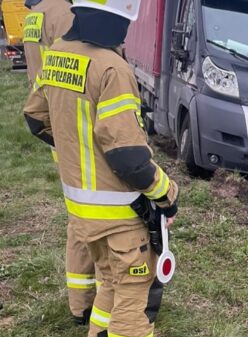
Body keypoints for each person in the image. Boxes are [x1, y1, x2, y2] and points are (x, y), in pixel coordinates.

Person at [23, 1, 179, 336]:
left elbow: (35, 118)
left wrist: (73, 148)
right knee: (133, 303)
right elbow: (128, 156)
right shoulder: (111, 68)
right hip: (119, 214)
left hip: (82, 210)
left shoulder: (58, 54)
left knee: (108, 282)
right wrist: (166, 193)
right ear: (116, 21)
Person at [22, 0, 97, 325]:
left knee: (80, 217)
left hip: (57, 124)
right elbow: (81, 58)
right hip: (76, 126)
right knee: (91, 221)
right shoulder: (62, 13)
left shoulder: (33, 17)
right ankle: (87, 305)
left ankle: (81, 300)